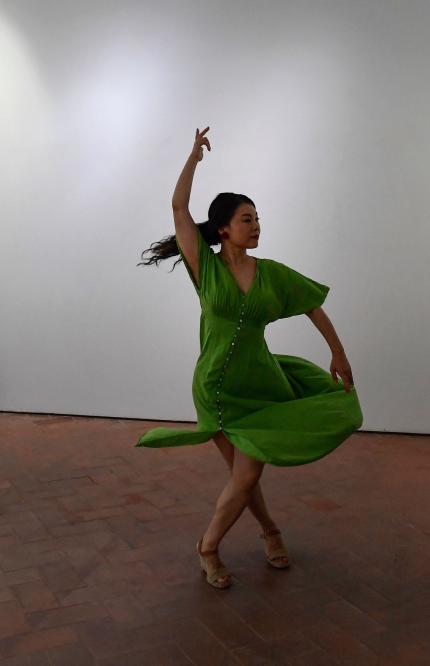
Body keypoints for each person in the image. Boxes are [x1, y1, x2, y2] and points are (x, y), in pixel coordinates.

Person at [138, 128, 363, 589]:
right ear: (223, 228)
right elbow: (179, 209)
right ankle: (228, 543)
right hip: (216, 388)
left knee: (246, 472)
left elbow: (312, 304)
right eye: (247, 219)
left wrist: (337, 352)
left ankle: (235, 539)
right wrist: (192, 158)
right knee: (244, 473)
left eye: (258, 218)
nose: (256, 226)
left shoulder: (272, 274)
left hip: (260, 384)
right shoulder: (205, 267)